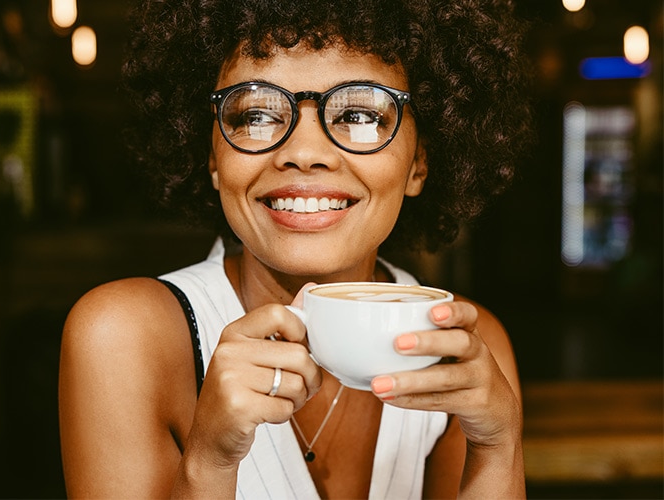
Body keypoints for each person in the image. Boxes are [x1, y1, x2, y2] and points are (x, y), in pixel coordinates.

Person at [58, 0, 533, 497]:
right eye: (256, 113)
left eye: (358, 112)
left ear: (419, 162)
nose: (304, 153)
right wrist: (211, 463)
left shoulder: (464, 347)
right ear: (213, 158)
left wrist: (498, 447)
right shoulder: (124, 337)